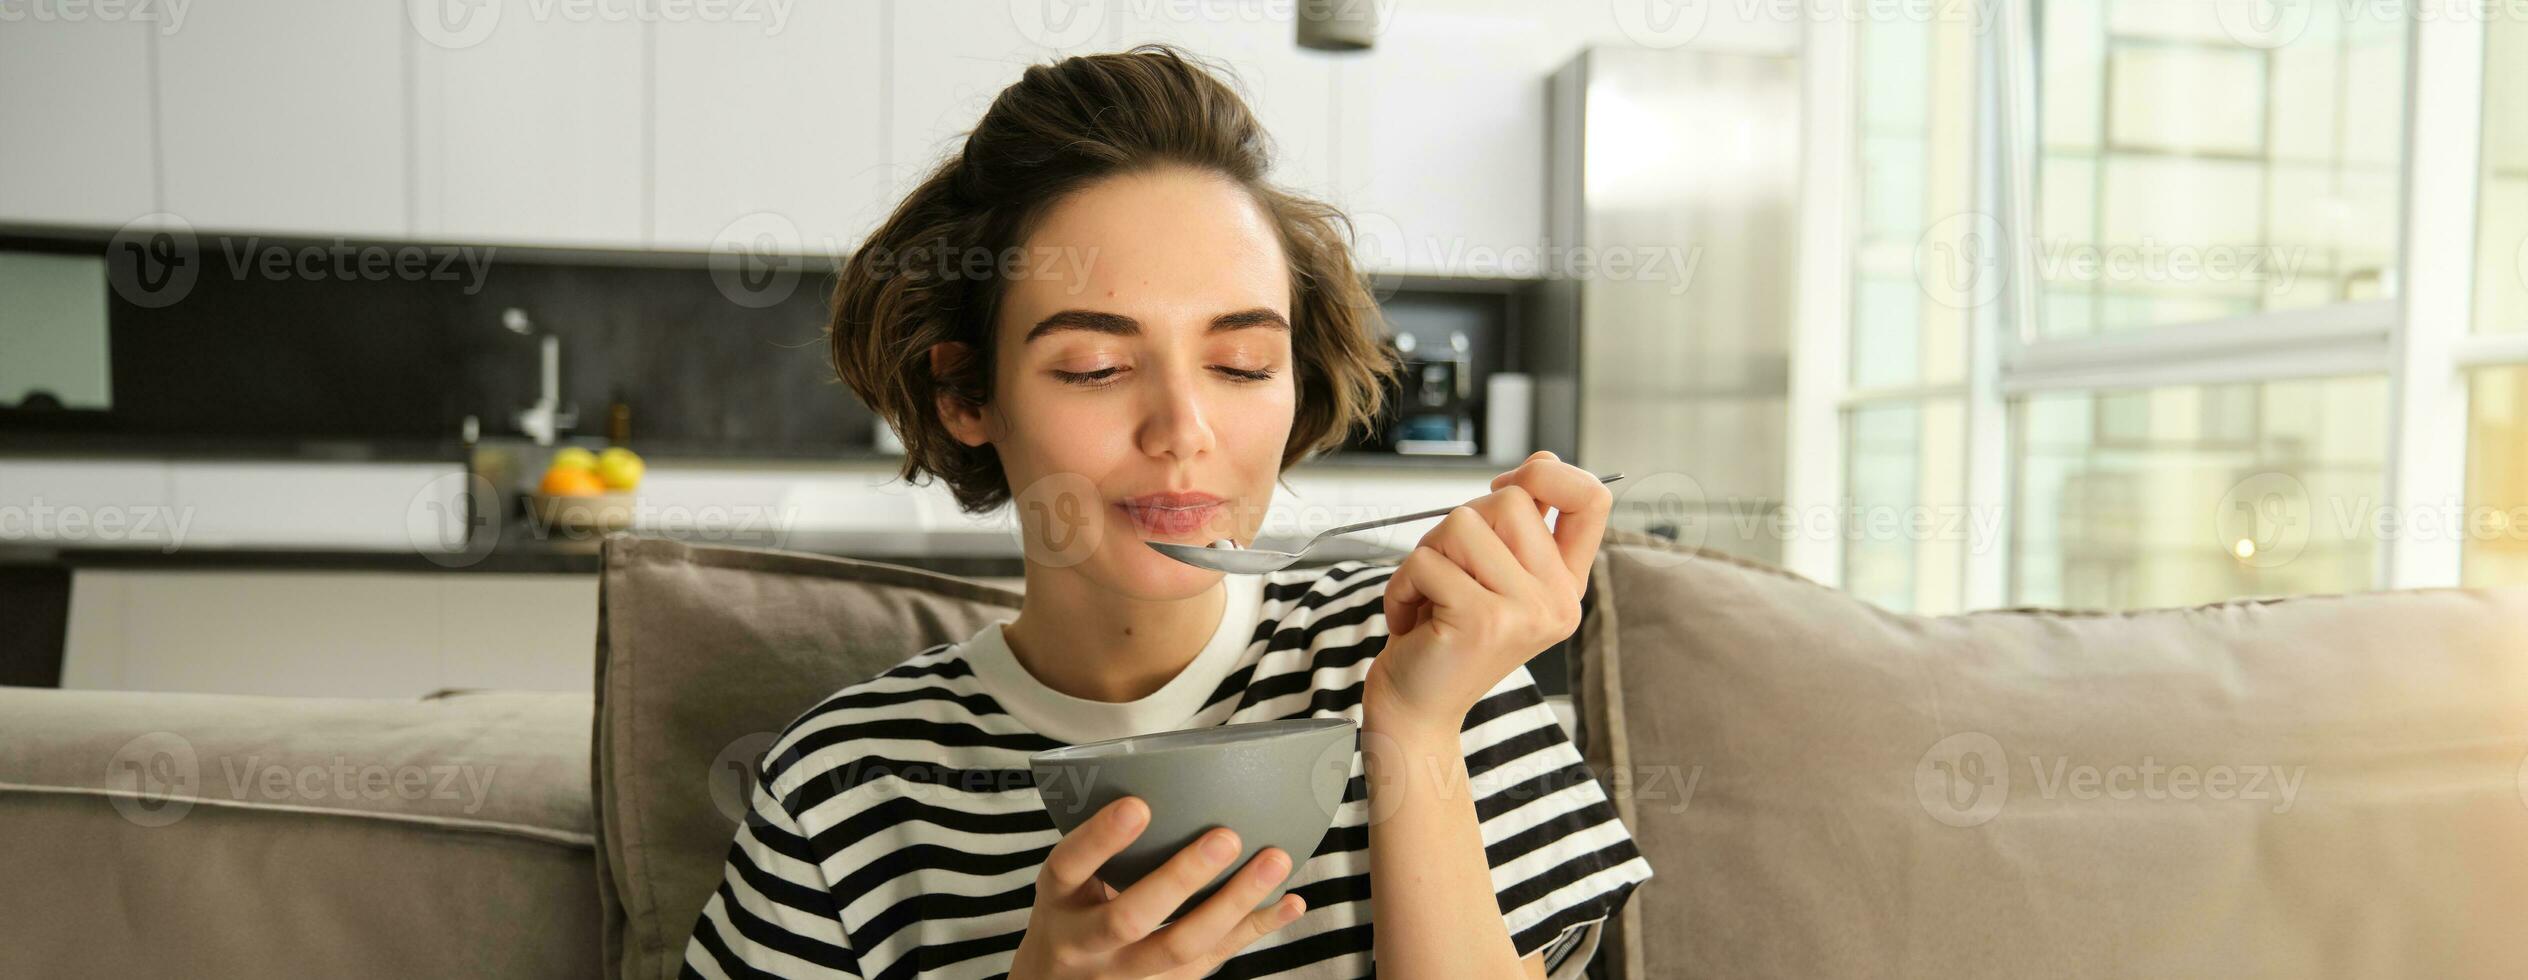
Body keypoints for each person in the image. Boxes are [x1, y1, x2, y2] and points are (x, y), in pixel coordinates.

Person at [683, 43, 1652, 980]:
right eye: (1096, 367)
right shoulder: (844, 788)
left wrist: (1415, 724)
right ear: (967, 393)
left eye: (1240, 365)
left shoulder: (1428, 657)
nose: (1183, 429)